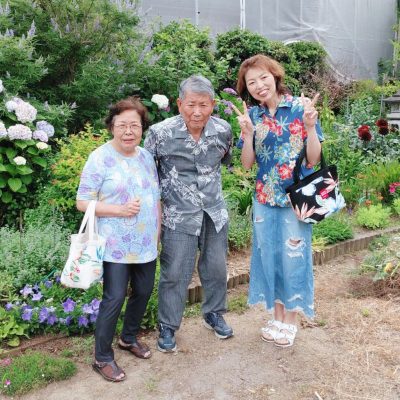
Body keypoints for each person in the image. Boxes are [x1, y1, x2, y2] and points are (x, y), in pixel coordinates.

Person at [233, 54, 323, 348]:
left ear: (275, 76)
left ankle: (291, 320)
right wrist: (247, 135)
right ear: (246, 88)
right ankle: (276, 315)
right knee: (268, 256)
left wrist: (311, 127)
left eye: (263, 77)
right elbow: (247, 164)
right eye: (252, 82)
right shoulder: (253, 116)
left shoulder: (300, 107)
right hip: (264, 197)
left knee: (293, 257)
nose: (259, 85)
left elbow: (313, 159)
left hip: (296, 199)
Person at [144, 75, 234, 352]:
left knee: (216, 268)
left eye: (203, 105)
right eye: (191, 104)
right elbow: (147, 174)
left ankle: (214, 314)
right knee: (174, 272)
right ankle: (168, 325)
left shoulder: (223, 130)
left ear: (213, 105)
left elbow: (225, 161)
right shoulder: (160, 133)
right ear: (179, 103)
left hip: (213, 212)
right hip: (177, 215)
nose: (197, 112)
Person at [76, 97, 161, 381]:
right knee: (113, 298)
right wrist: (119, 210)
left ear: (142, 128)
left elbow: (155, 198)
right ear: (112, 126)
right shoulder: (99, 158)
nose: (128, 131)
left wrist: (157, 232)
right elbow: (82, 202)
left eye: (134, 125)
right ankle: (102, 357)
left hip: (145, 242)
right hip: (115, 245)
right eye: (122, 125)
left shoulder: (146, 156)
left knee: (144, 291)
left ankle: (128, 337)